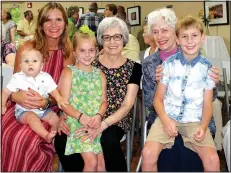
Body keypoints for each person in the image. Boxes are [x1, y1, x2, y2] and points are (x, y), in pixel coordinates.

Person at [55, 17, 142, 172]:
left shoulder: (134, 67)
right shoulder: (89, 63)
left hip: (115, 119)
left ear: (125, 39)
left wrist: (102, 124)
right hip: (81, 114)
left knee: (107, 140)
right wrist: (63, 116)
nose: (112, 42)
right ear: (101, 41)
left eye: (117, 37)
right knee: (62, 138)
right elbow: (68, 96)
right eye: (107, 37)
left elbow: (127, 105)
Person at [142, 8, 220, 172]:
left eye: (164, 30)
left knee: (210, 159)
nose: (160, 36)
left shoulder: (204, 65)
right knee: (150, 154)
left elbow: (209, 101)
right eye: (155, 32)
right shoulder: (158, 64)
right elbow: (153, 100)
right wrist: (165, 119)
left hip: (194, 120)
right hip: (166, 118)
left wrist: (204, 126)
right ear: (179, 38)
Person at [1, 2, 74, 171]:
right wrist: (16, 97)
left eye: (59, 20)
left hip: (49, 110)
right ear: (40, 24)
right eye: (48, 20)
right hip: (19, 108)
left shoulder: (68, 54)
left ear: (65, 24)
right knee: (8, 135)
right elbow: (14, 86)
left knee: (26, 140)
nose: (54, 25)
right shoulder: (27, 48)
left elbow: (63, 95)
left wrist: (45, 103)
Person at [59, 25, 107, 171]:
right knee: (91, 163)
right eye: (82, 50)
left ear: (97, 51)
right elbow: (64, 103)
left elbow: (104, 101)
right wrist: (80, 117)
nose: (87, 55)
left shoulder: (100, 74)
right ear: (74, 52)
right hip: (76, 122)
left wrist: (99, 116)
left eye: (91, 50)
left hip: (94, 123)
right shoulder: (69, 73)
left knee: (101, 165)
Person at [2, 48, 67, 143]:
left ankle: (54, 135)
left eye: (34, 61)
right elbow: (5, 92)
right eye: (26, 61)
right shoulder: (18, 77)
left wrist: (59, 98)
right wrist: (2, 104)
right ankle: (45, 135)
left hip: (43, 110)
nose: (30, 64)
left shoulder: (46, 77)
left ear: (41, 66)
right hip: (24, 111)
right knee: (33, 118)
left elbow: (53, 90)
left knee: (55, 119)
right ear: (21, 65)